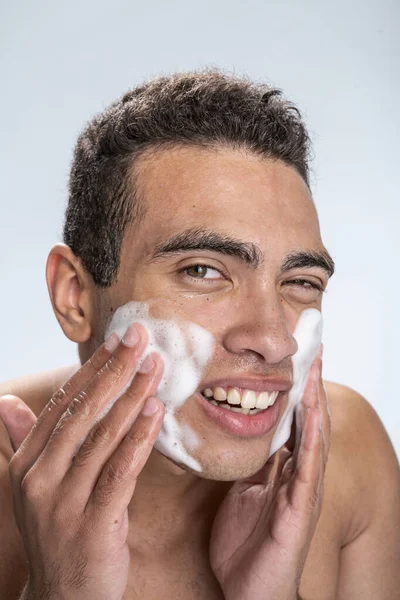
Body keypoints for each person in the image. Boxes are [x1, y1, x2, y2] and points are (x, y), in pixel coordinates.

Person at [0, 70, 398, 600]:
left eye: (300, 281)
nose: (275, 340)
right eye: (203, 271)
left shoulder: (346, 459)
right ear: (75, 295)